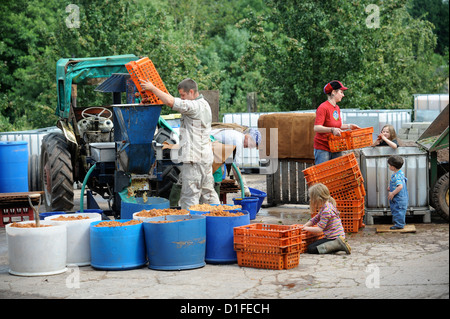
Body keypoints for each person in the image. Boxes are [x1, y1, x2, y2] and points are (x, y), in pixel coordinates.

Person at [140, 78, 220, 210]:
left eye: (183, 95)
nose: (182, 98)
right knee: (208, 193)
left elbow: (171, 101)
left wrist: (152, 88)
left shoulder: (195, 106)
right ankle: (218, 218)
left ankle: (190, 225)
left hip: (194, 158)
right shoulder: (204, 104)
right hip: (204, 157)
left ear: (192, 92)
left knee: (190, 195)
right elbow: (171, 100)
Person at [313, 80, 360, 165]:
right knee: (324, 174)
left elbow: (336, 125)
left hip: (336, 145)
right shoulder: (323, 107)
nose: (343, 95)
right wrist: (332, 130)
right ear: (334, 92)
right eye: (341, 92)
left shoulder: (337, 108)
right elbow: (316, 127)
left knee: (337, 173)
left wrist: (350, 126)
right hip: (323, 147)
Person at [303, 183, 351, 254]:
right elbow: (315, 219)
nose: (310, 200)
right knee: (315, 244)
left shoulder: (326, 211)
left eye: (311, 198)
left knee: (311, 249)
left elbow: (319, 229)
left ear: (317, 199)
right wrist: (304, 226)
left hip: (334, 238)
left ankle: (338, 245)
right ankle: (337, 245)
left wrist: (306, 228)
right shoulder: (327, 206)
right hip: (335, 237)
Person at [211, 128, 261, 196]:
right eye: (251, 145)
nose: (249, 147)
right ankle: (212, 202)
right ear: (248, 137)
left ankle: (214, 199)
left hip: (213, 148)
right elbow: (235, 168)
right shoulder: (237, 141)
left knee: (219, 172)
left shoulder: (238, 136)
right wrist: (244, 187)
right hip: (208, 145)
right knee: (217, 173)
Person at [387, 155, 408, 229]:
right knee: (399, 211)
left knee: (398, 211)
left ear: (393, 167)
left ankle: (399, 225)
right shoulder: (400, 173)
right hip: (402, 197)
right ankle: (399, 223)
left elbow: (400, 186)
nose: (389, 166)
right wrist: (391, 187)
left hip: (399, 198)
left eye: (389, 165)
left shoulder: (396, 176)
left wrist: (392, 193)